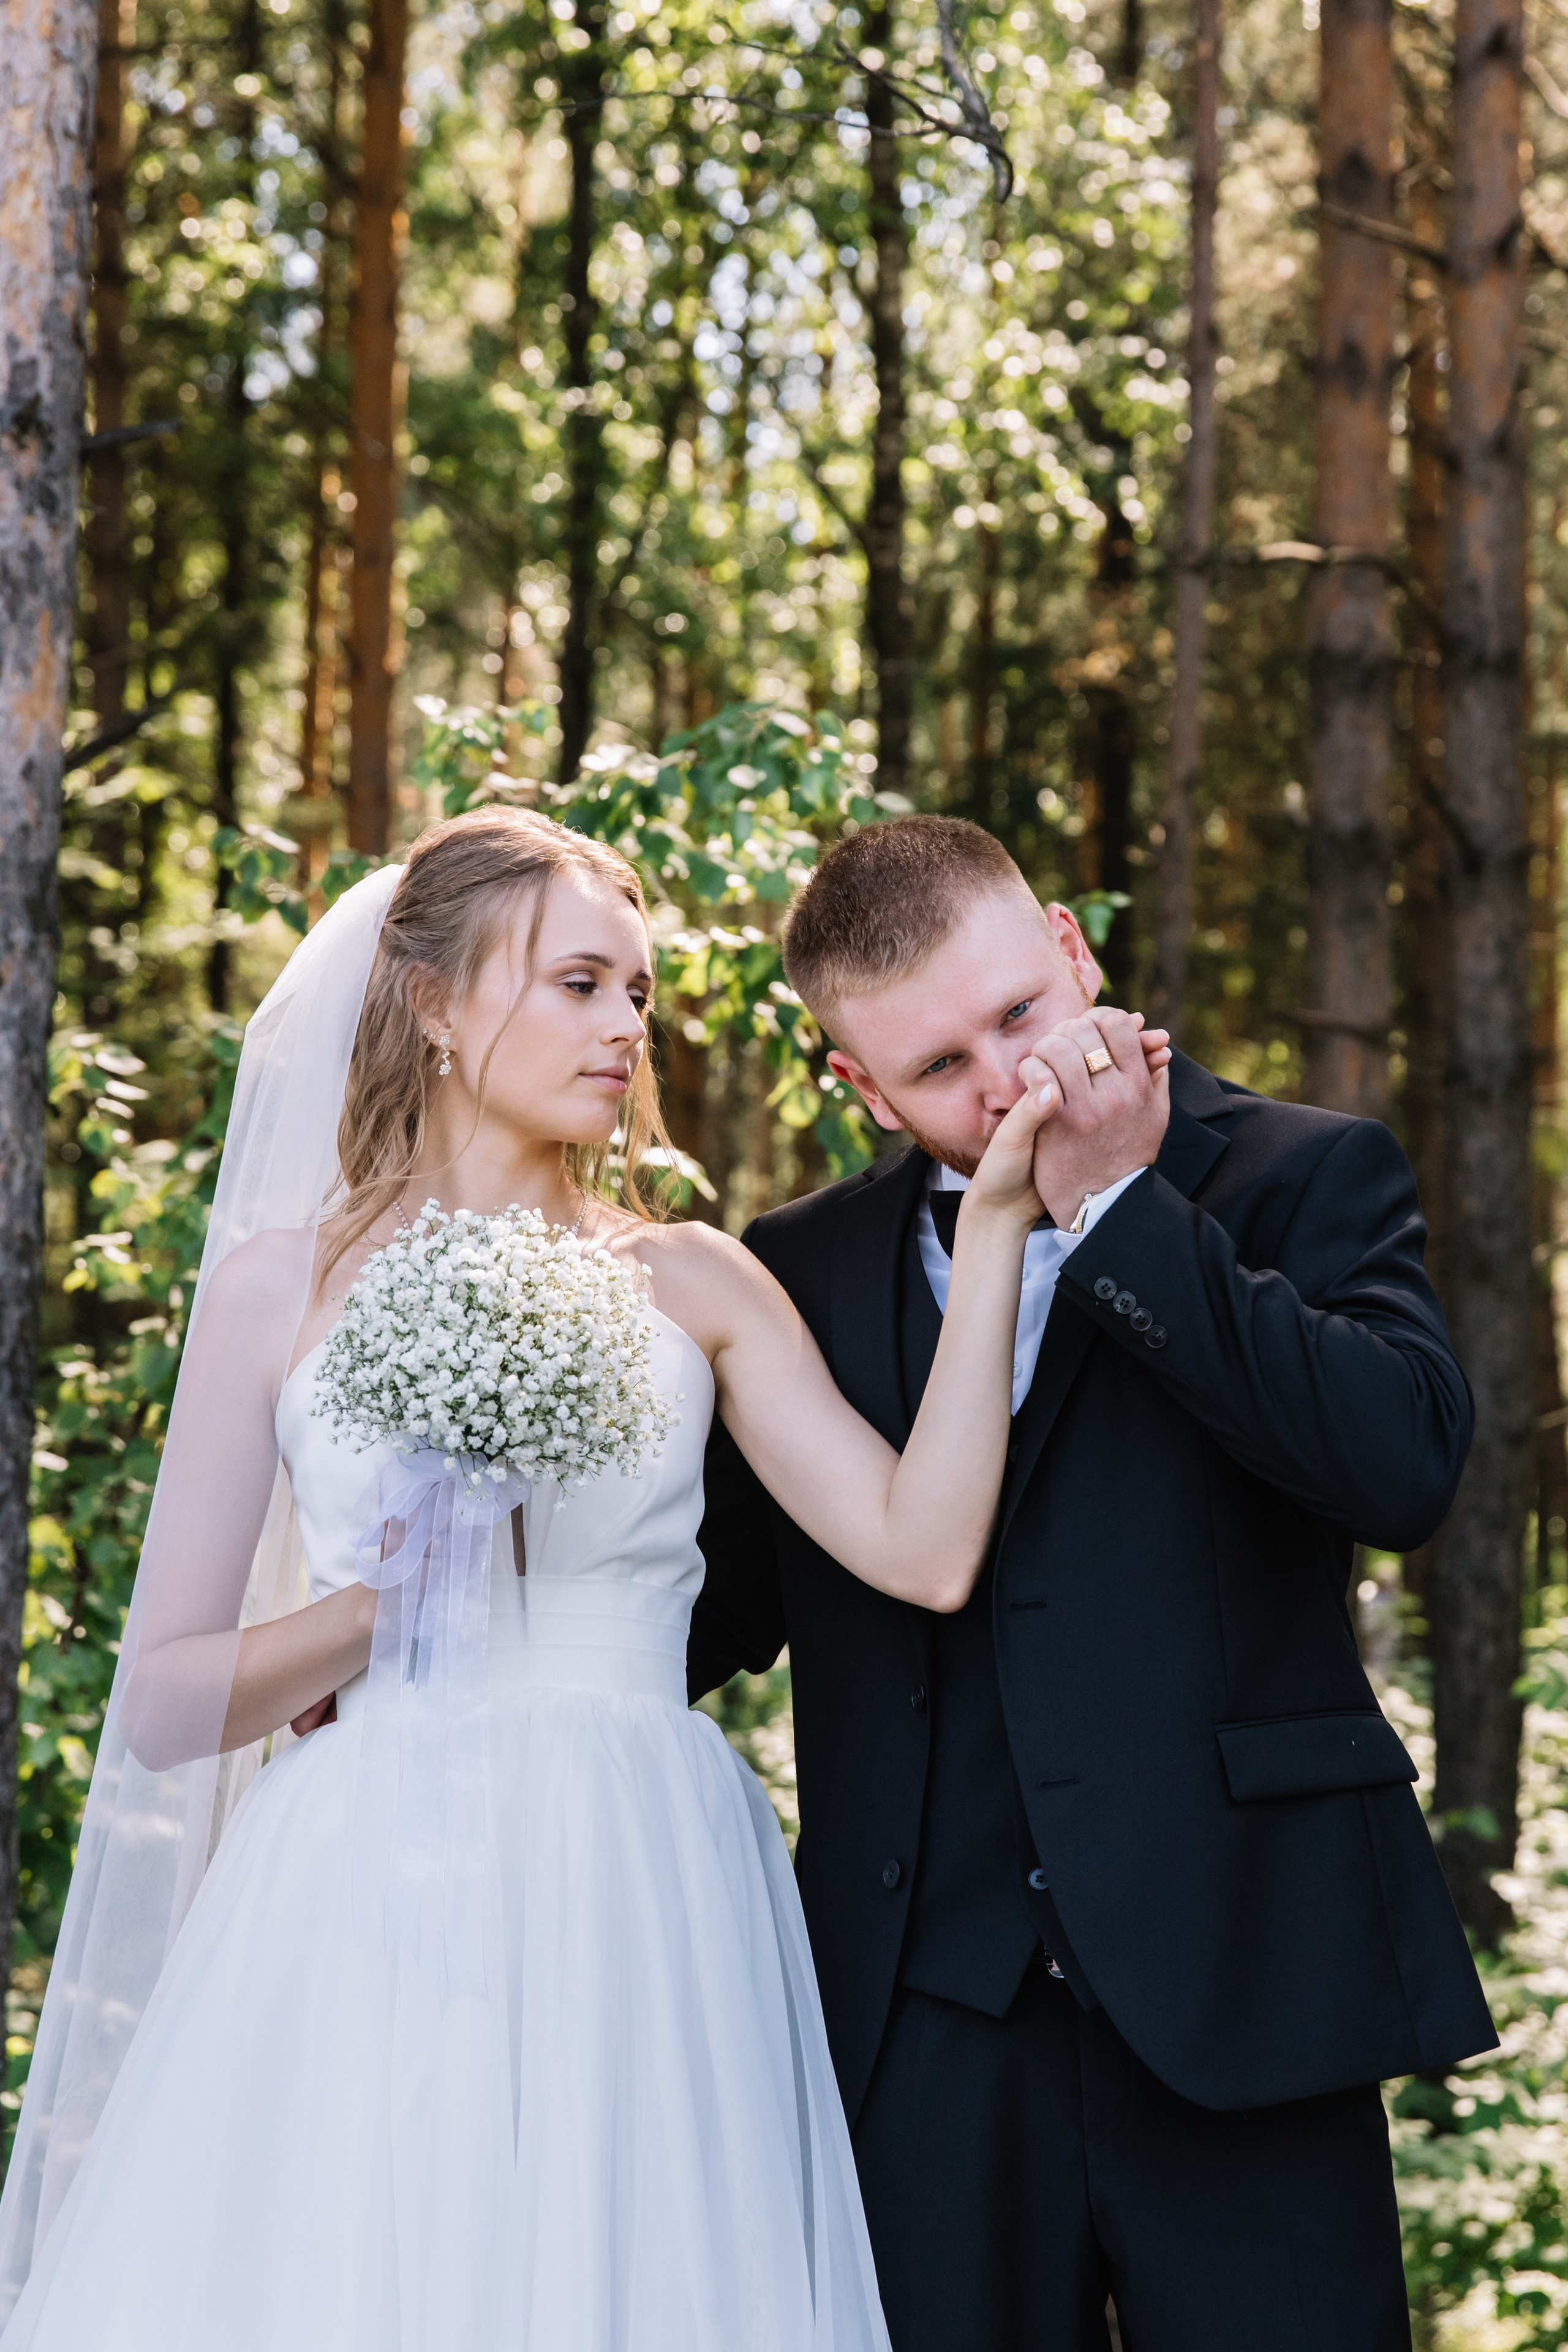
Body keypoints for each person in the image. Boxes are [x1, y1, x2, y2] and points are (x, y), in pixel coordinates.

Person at [0, 808, 1109, 2352]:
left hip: (636, 1870)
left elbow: (921, 1552)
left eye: (639, 994)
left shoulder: (698, 1280)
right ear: (435, 1004)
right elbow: (171, 1701)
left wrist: (992, 1219)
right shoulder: (280, 1286)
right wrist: (384, 1609)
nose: (623, 1032)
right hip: (362, 1881)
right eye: (580, 983)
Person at [688, 814, 1497, 2352]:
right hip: (925, 2015)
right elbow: (708, 1607)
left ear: (1071, 947)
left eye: (1017, 1015)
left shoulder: (1300, 1175)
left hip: (1246, 1974)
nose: (1003, 1082)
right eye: (936, 1067)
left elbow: (1401, 1470)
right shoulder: (792, 1272)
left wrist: (1126, 1208)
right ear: (857, 1087)